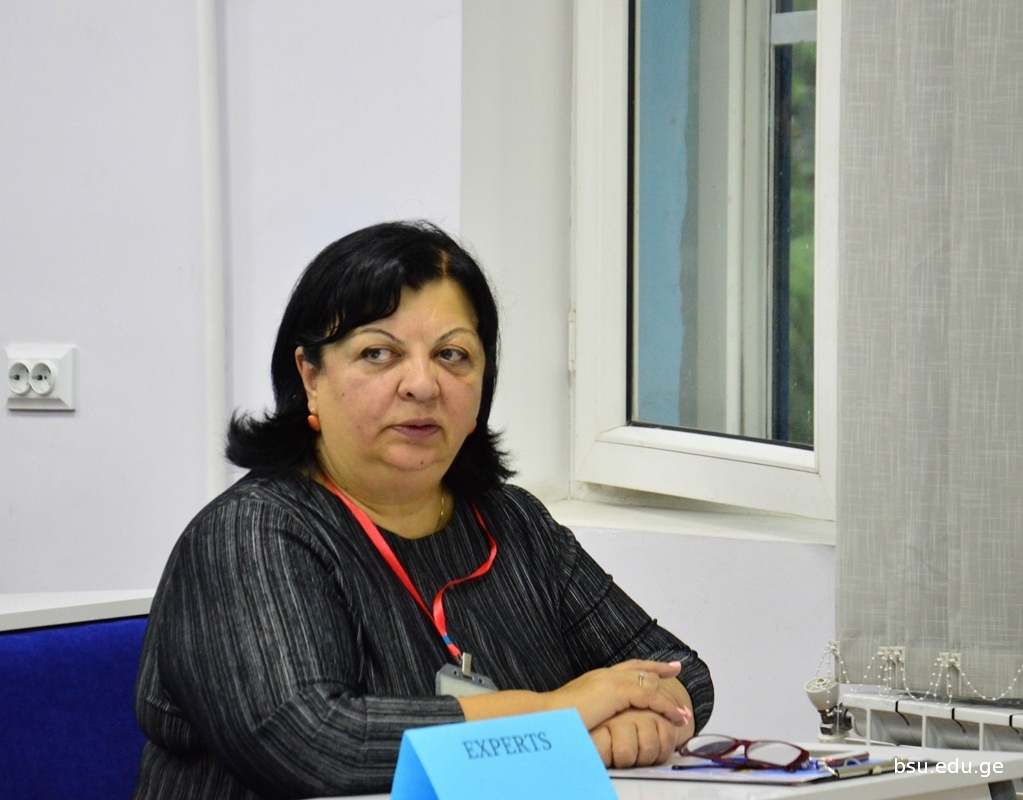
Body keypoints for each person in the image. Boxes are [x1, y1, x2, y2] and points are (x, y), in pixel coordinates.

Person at [133, 221, 713, 799]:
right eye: (378, 353)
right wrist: (555, 718)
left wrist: (646, 718)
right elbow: (309, 742)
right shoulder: (249, 533)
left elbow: (677, 668)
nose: (422, 384)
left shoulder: (511, 523)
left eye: (451, 354)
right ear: (310, 376)